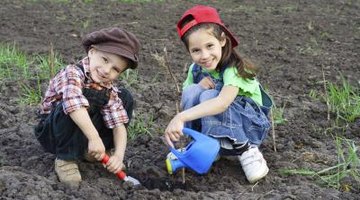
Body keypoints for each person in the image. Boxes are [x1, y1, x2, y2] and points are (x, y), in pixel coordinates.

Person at [164, 5, 273, 183]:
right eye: (196, 50)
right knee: (193, 91)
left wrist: (180, 117)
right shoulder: (195, 70)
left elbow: (222, 103)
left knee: (210, 96)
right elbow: (187, 97)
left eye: (209, 46)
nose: (204, 55)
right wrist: (199, 86)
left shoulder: (234, 68)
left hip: (250, 127)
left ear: (222, 40)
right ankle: (203, 146)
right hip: (215, 127)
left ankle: (246, 150)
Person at [34, 27, 140, 187]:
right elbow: (73, 105)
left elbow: (118, 124)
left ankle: (90, 152)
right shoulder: (72, 73)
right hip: (53, 133)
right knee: (80, 100)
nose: (106, 71)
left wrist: (119, 155)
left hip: (84, 135)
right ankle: (66, 159)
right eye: (105, 60)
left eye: (115, 69)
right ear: (91, 52)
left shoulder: (107, 87)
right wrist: (94, 138)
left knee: (124, 96)